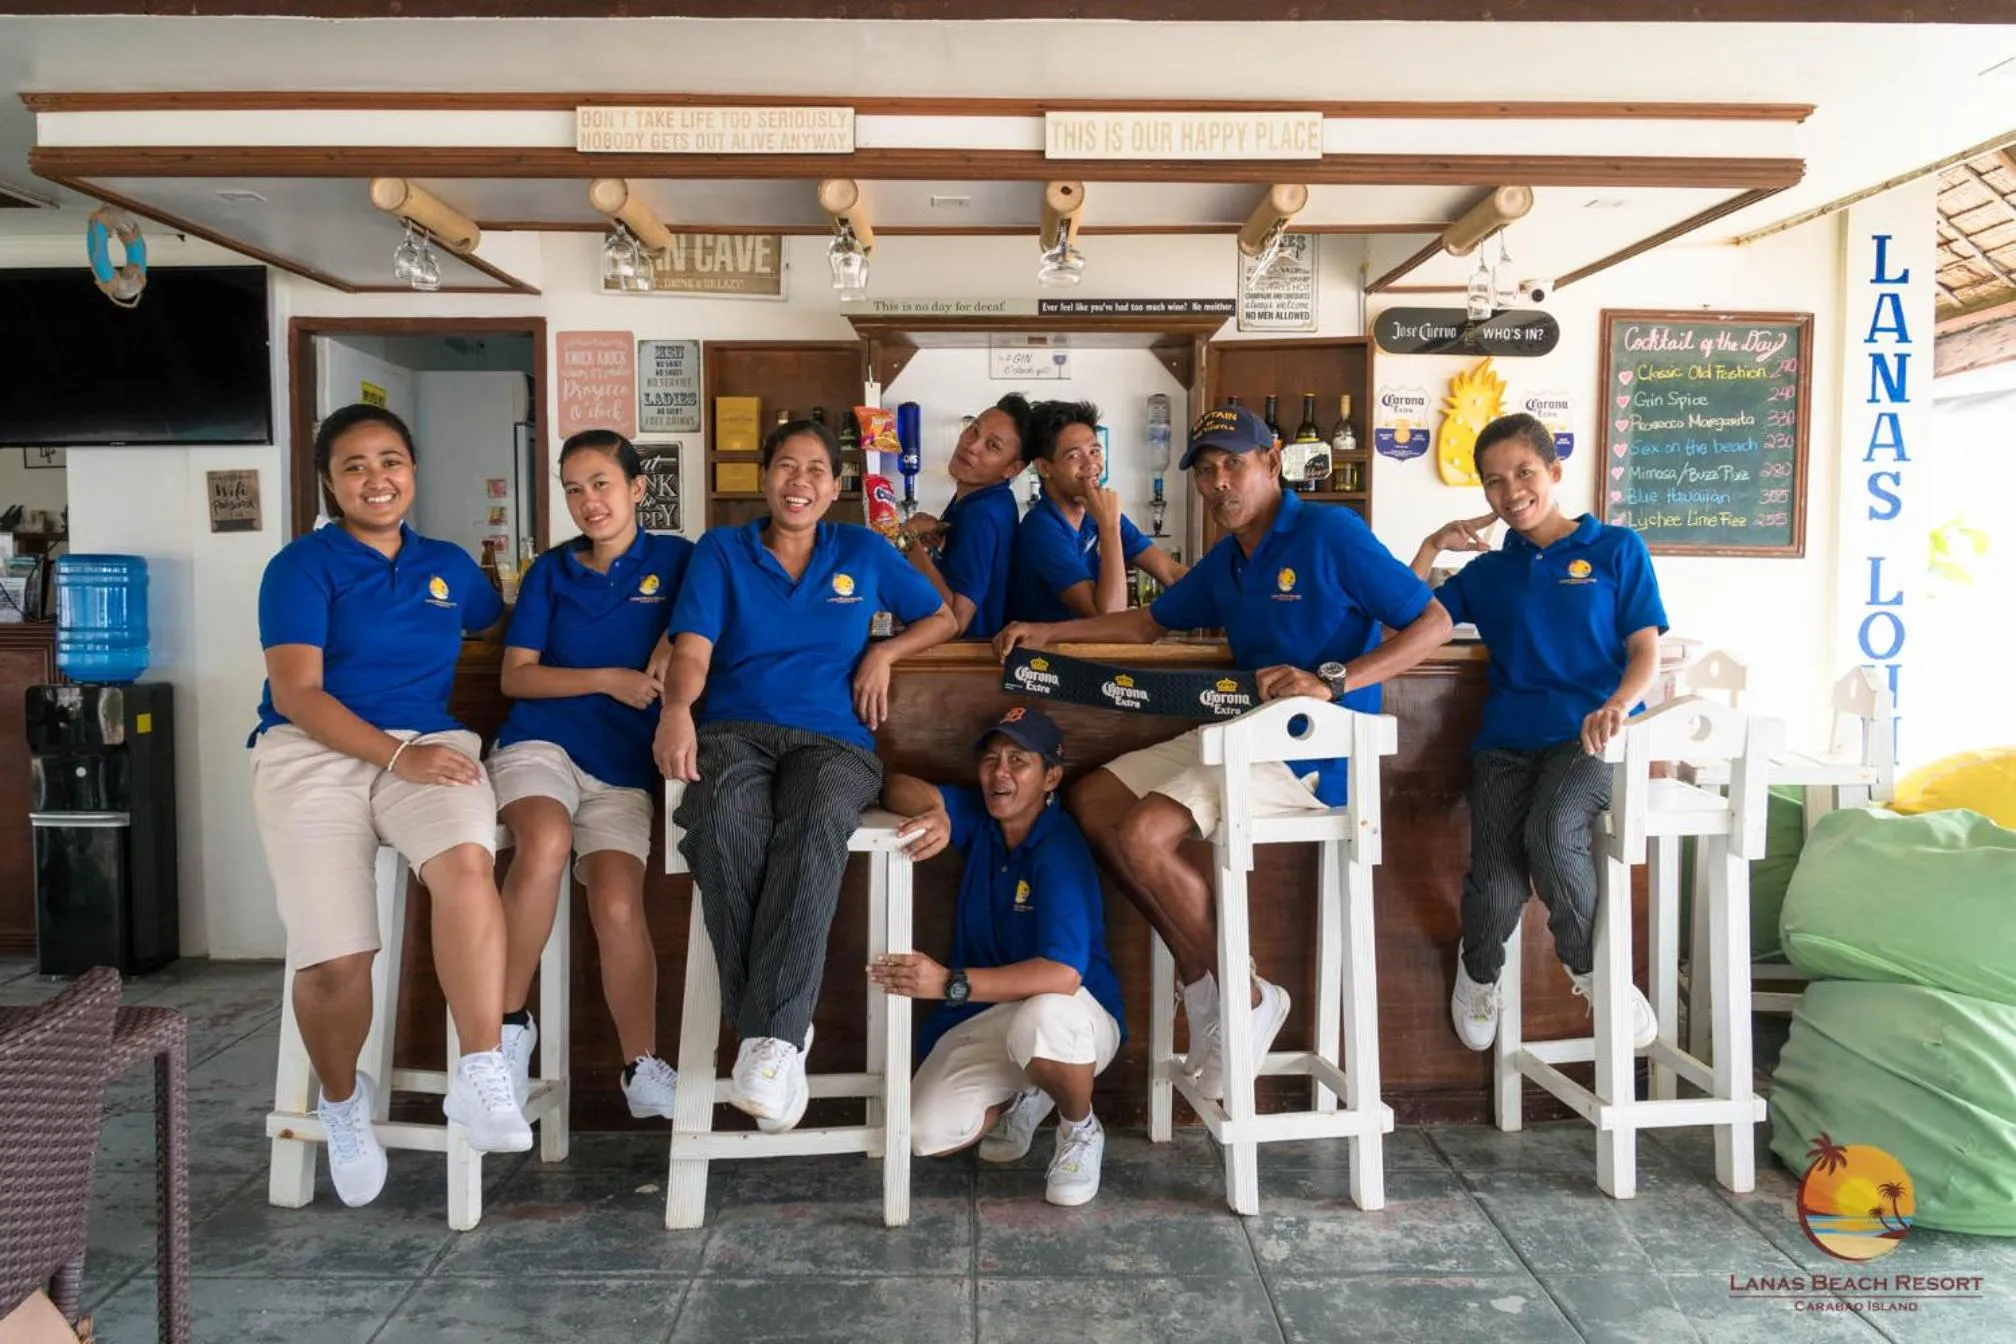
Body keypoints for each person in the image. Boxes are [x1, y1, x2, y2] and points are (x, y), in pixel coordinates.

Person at [994, 405, 1452, 1102]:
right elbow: (1148, 622)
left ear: (1272, 459)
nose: (1219, 483)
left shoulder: (1331, 532)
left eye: (1233, 463)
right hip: (1245, 731)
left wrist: (1332, 681)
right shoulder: (1230, 557)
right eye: (1206, 471)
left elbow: (1435, 622)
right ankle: (1212, 987)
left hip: (1315, 754)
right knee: (1093, 802)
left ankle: (1241, 994)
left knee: (1145, 835)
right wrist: (1047, 632)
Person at [249, 403, 526, 1209]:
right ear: (330, 484)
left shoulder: (447, 565)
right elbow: (298, 694)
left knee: (468, 866)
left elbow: (491, 616)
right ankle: (342, 1103)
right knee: (337, 959)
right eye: (356, 466)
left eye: (391, 461)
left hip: (427, 749)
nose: (378, 478)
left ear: (413, 469)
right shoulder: (301, 567)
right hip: (316, 755)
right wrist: (397, 753)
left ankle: (478, 1071)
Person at [654, 418, 957, 1133]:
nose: (800, 482)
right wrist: (676, 709)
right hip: (734, 732)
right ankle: (780, 1035)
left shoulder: (863, 550)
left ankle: (768, 1035)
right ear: (765, 478)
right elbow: (691, 648)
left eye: (816, 470)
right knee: (723, 815)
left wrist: (885, 655)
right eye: (786, 467)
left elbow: (943, 617)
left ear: (836, 486)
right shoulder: (722, 551)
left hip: (834, 742)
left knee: (820, 811)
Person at [1410, 412, 1667, 1054]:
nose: (1511, 491)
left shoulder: (1617, 549)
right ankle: (1479, 973)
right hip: (1504, 745)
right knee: (1494, 883)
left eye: (1524, 472)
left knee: (1551, 834)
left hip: (1590, 738)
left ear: (1554, 472)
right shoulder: (1488, 574)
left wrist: (1618, 704)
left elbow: (1646, 651)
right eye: (1494, 482)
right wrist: (1432, 547)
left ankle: (1593, 970)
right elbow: (1403, 623)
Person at [489, 430, 693, 1118]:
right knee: (543, 844)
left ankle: (641, 1066)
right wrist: (610, 678)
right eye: (573, 487)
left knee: (614, 900)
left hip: (622, 771)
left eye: (601, 482)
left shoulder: (680, 560)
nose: (588, 501)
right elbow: (516, 678)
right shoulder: (552, 569)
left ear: (638, 488)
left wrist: (669, 642)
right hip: (541, 748)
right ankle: (507, 1031)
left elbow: (708, 618)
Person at [872, 707, 1125, 1208]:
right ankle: (1029, 1089)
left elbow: (1062, 973)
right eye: (991, 760)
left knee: (1043, 1015)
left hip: (1075, 1016)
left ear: (1051, 775)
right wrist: (936, 812)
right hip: (990, 1015)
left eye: (1018, 760)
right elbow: (893, 785)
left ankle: (1080, 1128)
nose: (1000, 773)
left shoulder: (1059, 845)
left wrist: (949, 983)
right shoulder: (979, 819)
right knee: (922, 1133)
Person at [1006, 400, 1187, 623]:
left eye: (1094, 451)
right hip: (1045, 656)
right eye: (1073, 456)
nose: (1091, 464)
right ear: (1044, 468)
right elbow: (1109, 616)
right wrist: (1109, 527)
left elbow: (1170, 572)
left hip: (1088, 655)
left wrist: (1229, 598)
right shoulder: (1042, 529)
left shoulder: (1096, 513)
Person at [896, 395, 1032, 640]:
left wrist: (907, 540)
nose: (972, 445)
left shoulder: (982, 514)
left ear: (1012, 469)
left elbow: (957, 621)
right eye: (974, 430)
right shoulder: (979, 498)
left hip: (966, 659)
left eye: (992, 446)